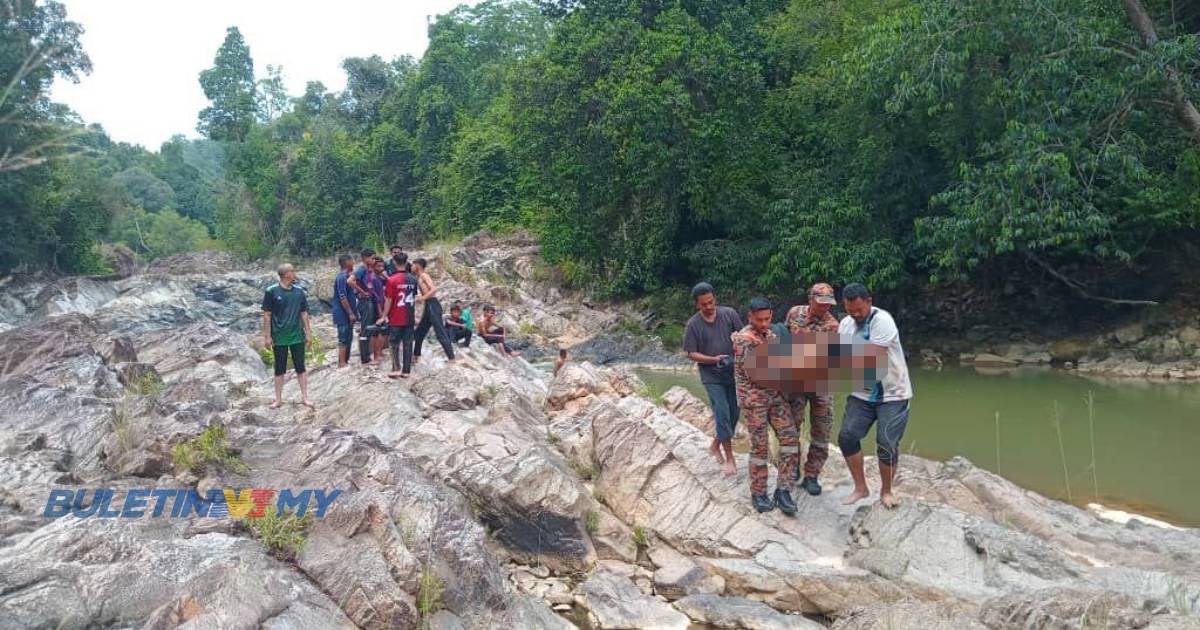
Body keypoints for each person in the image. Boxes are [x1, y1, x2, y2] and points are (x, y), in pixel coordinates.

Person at [837, 283, 913, 509]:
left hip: (893, 393)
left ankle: (887, 490)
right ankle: (861, 487)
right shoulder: (845, 324)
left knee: (886, 443)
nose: (856, 315)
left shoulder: (883, 321)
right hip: (861, 393)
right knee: (847, 436)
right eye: (851, 311)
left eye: (859, 310)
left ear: (869, 301)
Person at [733, 297, 799, 515]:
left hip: (775, 397)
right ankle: (759, 493)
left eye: (767, 319)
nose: (764, 323)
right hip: (755, 401)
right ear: (750, 317)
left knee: (790, 439)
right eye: (759, 319)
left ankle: (784, 490)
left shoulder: (770, 335)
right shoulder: (744, 340)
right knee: (760, 448)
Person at [784, 282, 840, 496]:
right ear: (811, 300)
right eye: (821, 303)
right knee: (791, 429)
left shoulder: (833, 326)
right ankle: (792, 471)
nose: (826, 307)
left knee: (821, 431)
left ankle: (812, 475)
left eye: (829, 304)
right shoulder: (794, 313)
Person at [682, 282, 743, 477]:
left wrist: (737, 344)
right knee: (722, 413)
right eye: (703, 304)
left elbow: (744, 338)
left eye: (710, 302)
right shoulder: (693, 325)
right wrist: (714, 360)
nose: (708, 307)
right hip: (711, 376)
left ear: (715, 298)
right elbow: (691, 353)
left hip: (734, 372)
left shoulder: (729, 314)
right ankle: (730, 459)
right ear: (696, 305)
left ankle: (716, 444)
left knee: (734, 413)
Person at [262, 263, 314, 409]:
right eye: (292, 270)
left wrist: (308, 333)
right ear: (286, 274)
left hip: (297, 335)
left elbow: (304, 313)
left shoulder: (299, 292)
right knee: (279, 368)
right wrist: (267, 336)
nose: (295, 272)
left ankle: (305, 397)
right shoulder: (271, 291)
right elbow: (267, 315)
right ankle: (278, 399)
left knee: (301, 367)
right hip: (279, 336)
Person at [377, 255, 419, 378]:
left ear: (394, 263)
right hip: (409, 316)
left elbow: (389, 300)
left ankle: (396, 368)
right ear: (406, 262)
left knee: (393, 342)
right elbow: (413, 297)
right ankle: (406, 371)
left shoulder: (392, 280)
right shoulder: (413, 279)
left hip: (396, 316)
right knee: (408, 342)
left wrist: (384, 316)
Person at [411, 257, 456, 363]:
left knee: (440, 332)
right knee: (419, 332)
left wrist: (422, 298)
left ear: (417, 265)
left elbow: (434, 289)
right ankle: (415, 356)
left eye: (413, 265)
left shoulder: (424, 275)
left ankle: (452, 358)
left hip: (433, 304)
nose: (411, 267)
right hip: (428, 306)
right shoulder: (418, 277)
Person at [332, 254, 358, 367]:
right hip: (342, 313)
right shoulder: (341, 277)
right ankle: (341, 362)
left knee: (349, 336)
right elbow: (343, 297)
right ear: (347, 262)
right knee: (343, 336)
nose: (353, 263)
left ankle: (345, 360)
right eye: (352, 261)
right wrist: (350, 313)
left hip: (347, 312)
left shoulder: (348, 276)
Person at [352, 248, 377, 365]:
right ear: (365, 258)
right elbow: (350, 281)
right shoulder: (360, 270)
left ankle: (367, 354)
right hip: (364, 302)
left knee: (368, 327)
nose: (374, 260)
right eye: (372, 258)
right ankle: (364, 357)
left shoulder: (368, 270)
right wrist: (361, 291)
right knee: (365, 327)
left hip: (369, 300)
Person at [369, 258, 390, 362]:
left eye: (382, 266)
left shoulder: (378, 278)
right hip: (377, 308)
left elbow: (389, 282)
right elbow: (376, 298)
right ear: (373, 266)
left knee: (381, 330)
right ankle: (377, 354)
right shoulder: (373, 279)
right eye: (378, 266)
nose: (381, 268)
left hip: (381, 306)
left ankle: (380, 352)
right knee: (377, 331)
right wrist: (381, 314)